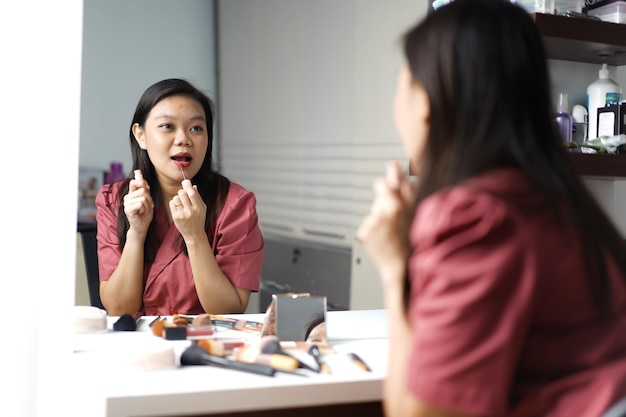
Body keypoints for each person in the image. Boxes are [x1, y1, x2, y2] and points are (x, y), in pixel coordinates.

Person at [356, 1, 626, 416]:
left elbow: (419, 413)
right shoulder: (554, 199)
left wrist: (395, 268)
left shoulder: (474, 217)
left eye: (401, 83)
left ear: (426, 100)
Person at [96, 78, 264, 316]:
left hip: (203, 344)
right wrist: (136, 233)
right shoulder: (113, 201)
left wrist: (195, 236)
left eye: (196, 128)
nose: (184, 138)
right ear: (140, 135)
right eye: (167, 126)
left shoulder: (235, 205)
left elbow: (229, 309)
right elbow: (118, 309)